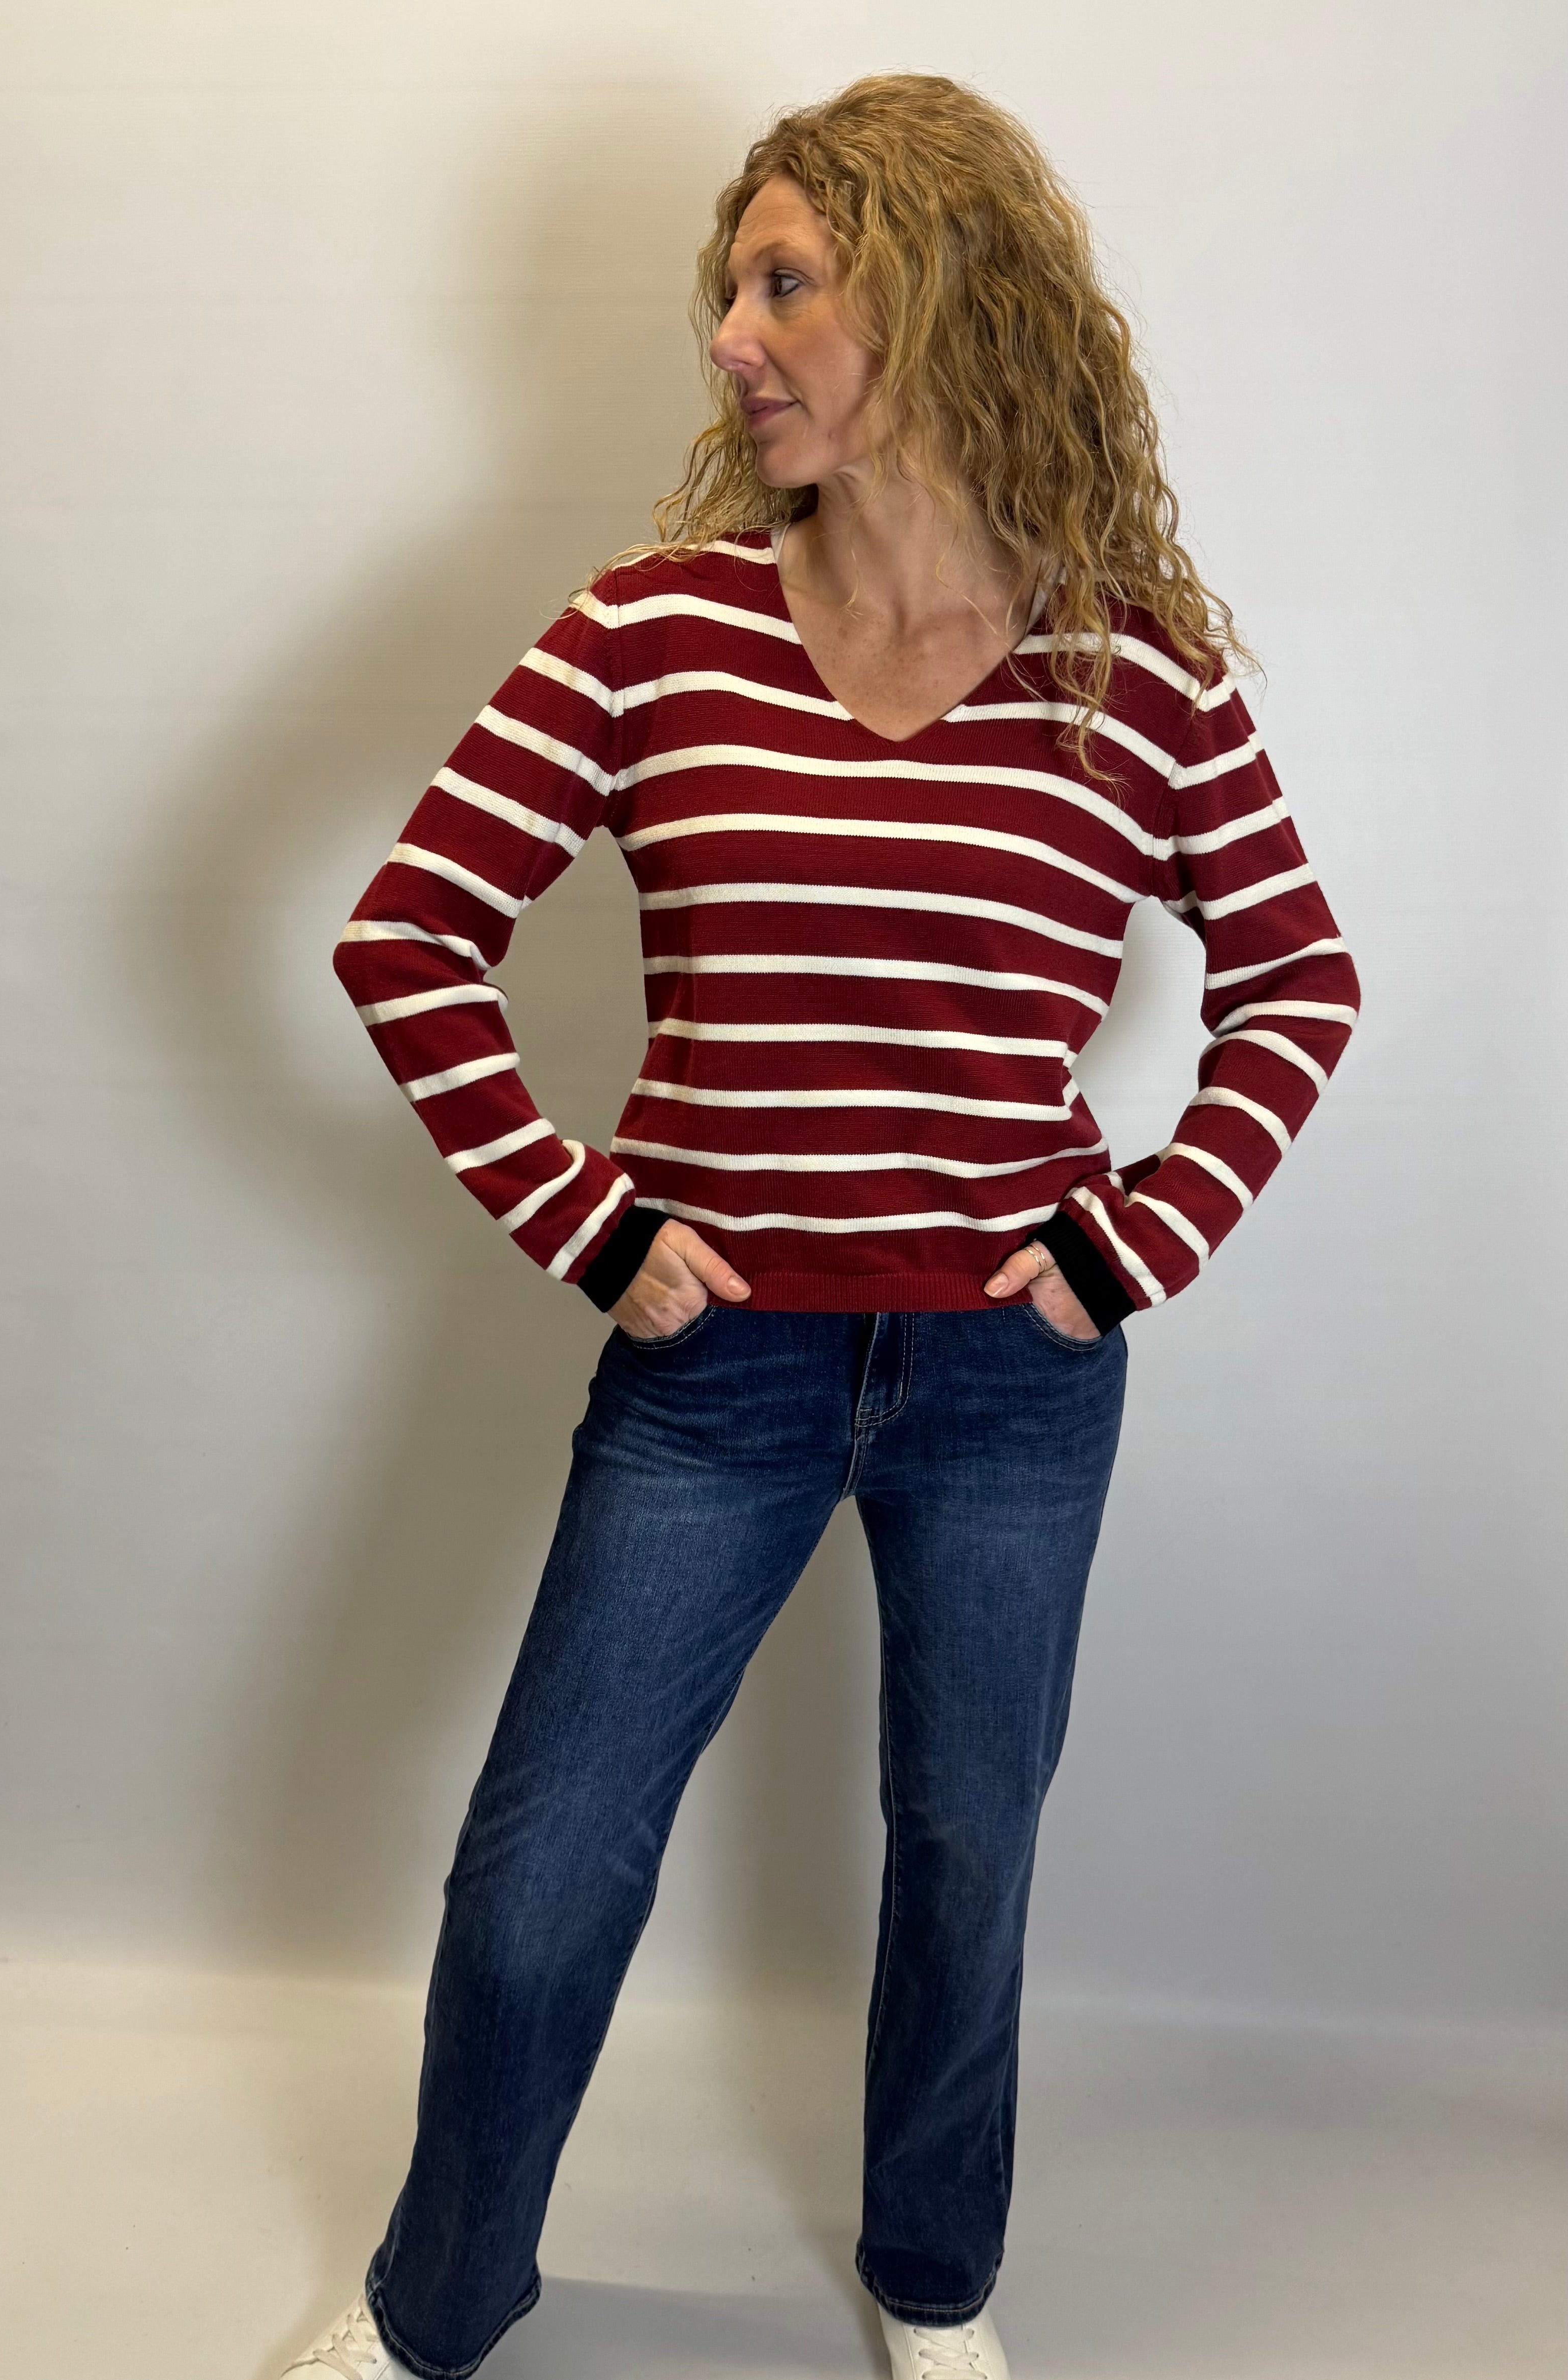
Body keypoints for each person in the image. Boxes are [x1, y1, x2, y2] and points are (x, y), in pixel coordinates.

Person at [282, 71, 1360, 2380]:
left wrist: (1132, 1238)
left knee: (969, 1849)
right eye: (727, 289)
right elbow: (404, 933)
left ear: (937, 294)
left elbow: (1298, 975)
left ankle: (932, 2277)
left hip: (1011, 1372)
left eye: (784, 282)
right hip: (718, 1369)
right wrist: (586, 1219)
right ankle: (435, 2306)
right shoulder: (647, 635)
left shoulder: (1130, 669)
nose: (730, 336)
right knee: (545, 1867)